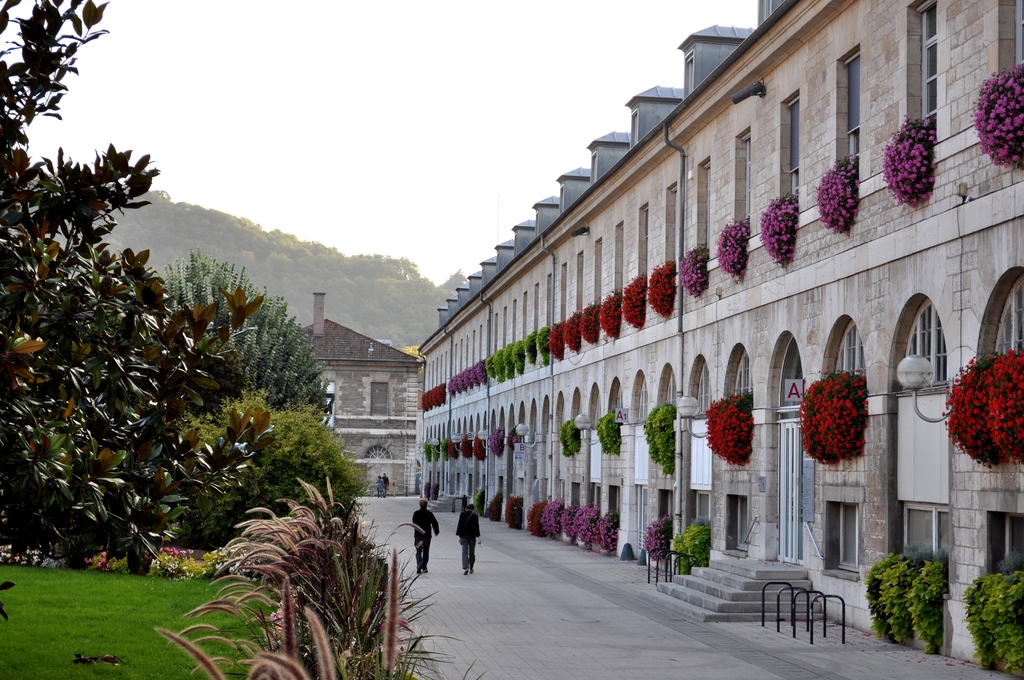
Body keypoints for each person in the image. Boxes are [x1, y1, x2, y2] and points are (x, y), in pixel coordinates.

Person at [411, 498, 439, 574]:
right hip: (427, 536)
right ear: (427, 505)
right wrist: (436, 531)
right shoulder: (429, 514)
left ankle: (419, 565)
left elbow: (414, 522)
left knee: (419, 550)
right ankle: (424, 567)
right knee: (426, 551)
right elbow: (435, 523)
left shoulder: (416, 513)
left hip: (418, 536)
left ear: (420, 505)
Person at [455, 502, 481, 575]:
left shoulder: (462, 515)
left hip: (464, 536)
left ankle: (465, 567)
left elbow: (460, 526)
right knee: (472, 553)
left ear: (466, 508)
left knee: (464, 552)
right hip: (472, 537)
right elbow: (476, 527)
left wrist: (460, 536)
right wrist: (477, 537)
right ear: (473, 509)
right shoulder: (475, 516)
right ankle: (471, 568)